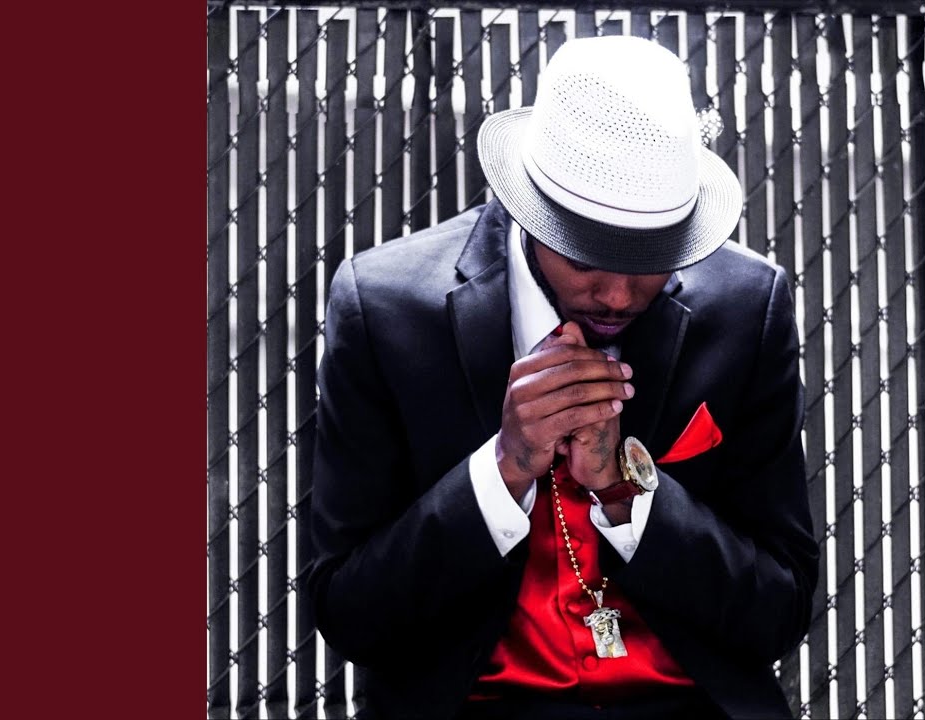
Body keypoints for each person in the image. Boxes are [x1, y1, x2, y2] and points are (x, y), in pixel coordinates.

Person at [308, 35, 819, 720]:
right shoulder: (385, 309)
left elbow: (780, 610)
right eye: (587, 257)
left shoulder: (746, 308)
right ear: (533, 211)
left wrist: (626, 490)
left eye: (651, 260)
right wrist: (503, 469)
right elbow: (350, 616)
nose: (618, 295)